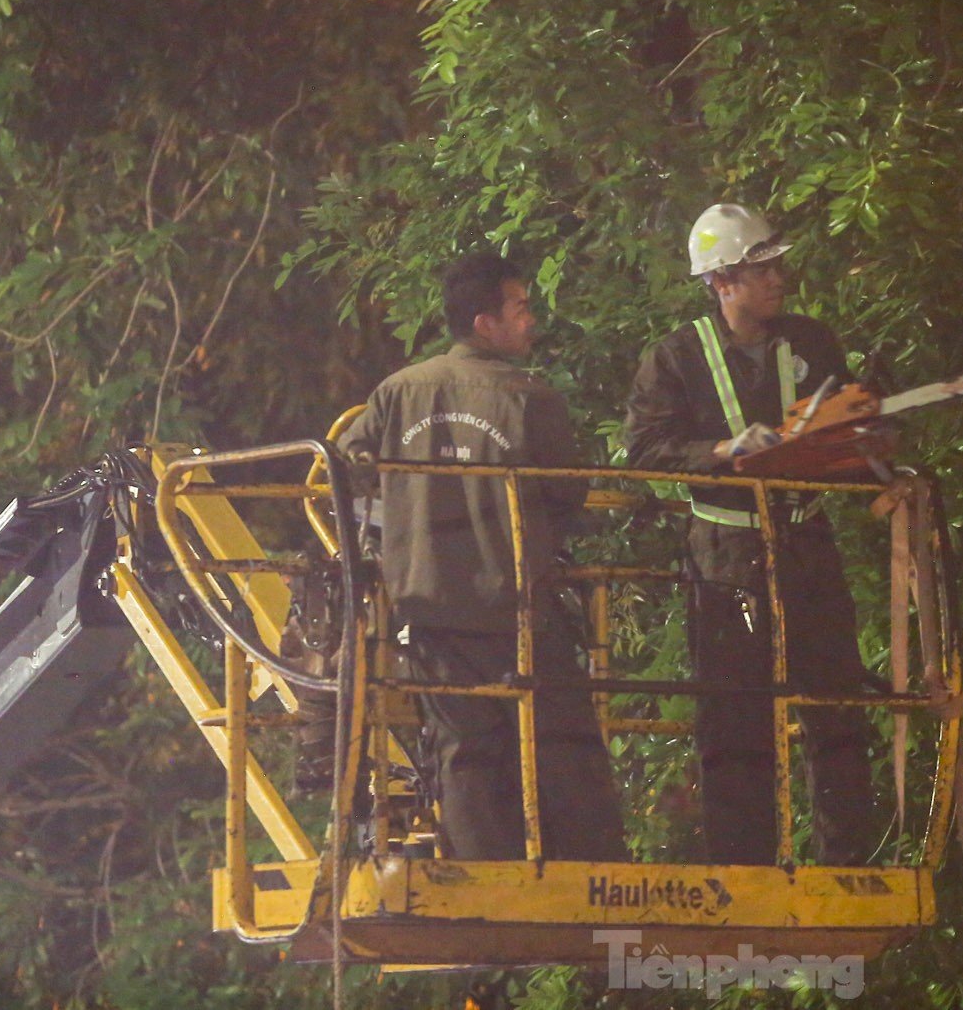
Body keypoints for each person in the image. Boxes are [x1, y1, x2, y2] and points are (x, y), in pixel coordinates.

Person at [337, 252, 625, 861]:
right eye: (520, 308)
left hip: (430, 610)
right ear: (484, 322)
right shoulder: (528, 398)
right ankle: (590, 874)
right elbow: (566, 492)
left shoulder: (396, 393)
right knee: (563, 740)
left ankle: (482, 883)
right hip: (515, 604)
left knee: (463, 749)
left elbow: (342, 470)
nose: (531, 320)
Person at [623, 204, 877, 866]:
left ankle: (846, 865)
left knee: (836, 702)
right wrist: (722, 449)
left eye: (777, 265)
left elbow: (852, 421)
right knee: (736, 711)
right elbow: (646, 450)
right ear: (720, 281)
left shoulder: (812, 341)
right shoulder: (675, 358)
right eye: (761, 269)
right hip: (729, 559)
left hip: (807, 544)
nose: (778, 278)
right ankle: (743, 869)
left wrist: (868, 442)